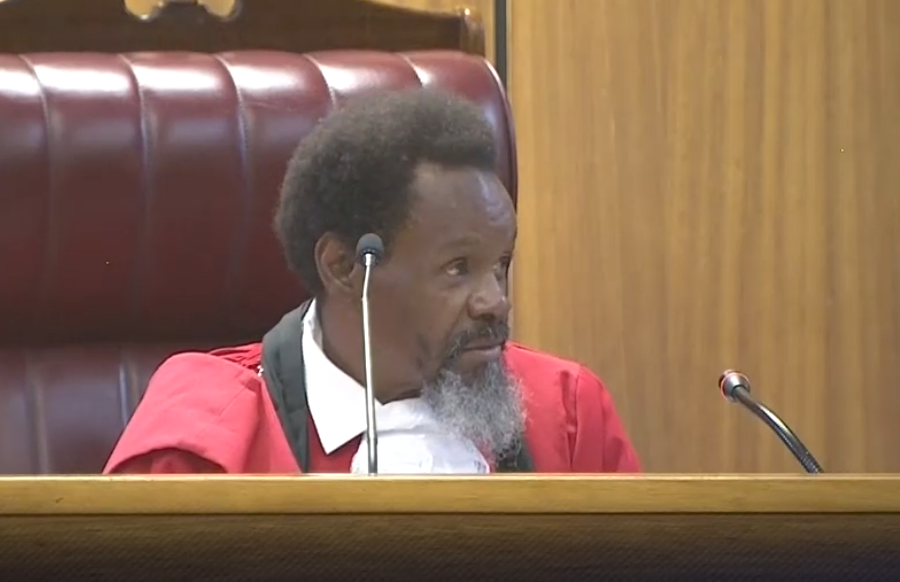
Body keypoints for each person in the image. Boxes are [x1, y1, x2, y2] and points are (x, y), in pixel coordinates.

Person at [104, 88, 641, 475]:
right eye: (458, 267)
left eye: (501, 265)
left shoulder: (568, 411)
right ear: (343, 267)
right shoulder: (207, 435)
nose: (496, 302)